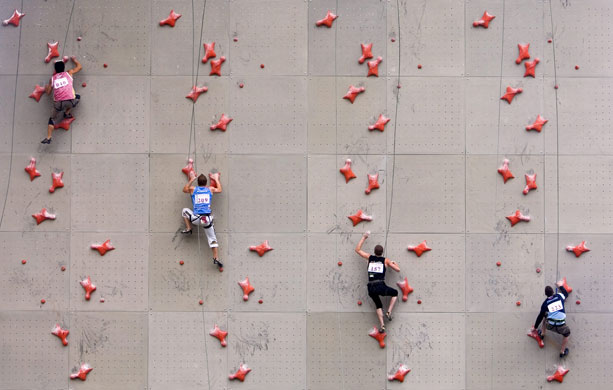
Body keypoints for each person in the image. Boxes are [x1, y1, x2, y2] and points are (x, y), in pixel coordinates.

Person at [355, 231, 400, 333]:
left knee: (378, 305)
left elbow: (357, 250)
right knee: (395, 293)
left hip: (370, 287)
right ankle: (388, 312)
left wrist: (364, 237)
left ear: (374, 251)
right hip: (380, 285)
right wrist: (394, 263)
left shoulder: (369, 258)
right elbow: (398, 270)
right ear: (382, 252)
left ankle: (382, 325)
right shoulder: (385, 261)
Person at [182, 173, 223, 270]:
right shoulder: (210, 189)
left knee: (184, 211)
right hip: (206, 220)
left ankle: (189, 228)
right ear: (206, 183)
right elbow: (220, 190)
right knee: (212, 239)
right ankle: (216, 257)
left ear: (198, 182)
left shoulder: (193, 189)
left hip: (196, 219)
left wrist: (191, 179)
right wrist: (216, 179)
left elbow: (184, 189)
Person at [41, 57, 82, 144]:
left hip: (58, 103)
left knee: (52, 119)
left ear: (55, 69)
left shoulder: (52, 78)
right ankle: (67, 113)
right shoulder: (69, 73)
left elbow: (48, 92)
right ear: (64, 68)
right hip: (70, 101)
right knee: (77, 97)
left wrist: (46, 87)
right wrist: (75, 60)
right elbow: (79, 67)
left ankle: (48, 137)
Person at [532, 279, 571, 358]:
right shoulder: (559, 296)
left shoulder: (545, 303)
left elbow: (540, 316)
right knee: (566, 334)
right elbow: (566, 294)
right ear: (553, 291)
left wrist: (535, 327)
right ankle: (562, 352)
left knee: (544, 316)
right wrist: (560, 286)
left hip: (550, 326)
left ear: (546, 294)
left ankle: (542, 334)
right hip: (561, 326)